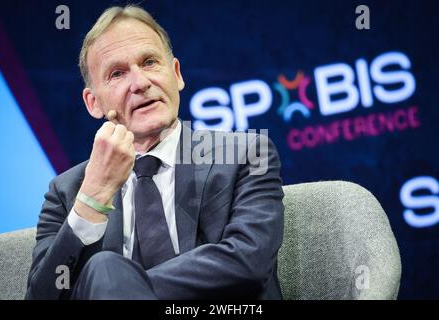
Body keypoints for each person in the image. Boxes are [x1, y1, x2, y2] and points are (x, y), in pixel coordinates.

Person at [25, 4, 284, 300]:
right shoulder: (67, 191)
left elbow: (247, 264)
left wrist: (118, 288)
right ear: (93, 102)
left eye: (149, 62)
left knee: (106, 270)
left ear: (176, 74)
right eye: (118, 73)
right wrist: (92, 200)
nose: (140, 83)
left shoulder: (245, 155)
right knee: (104, 266)